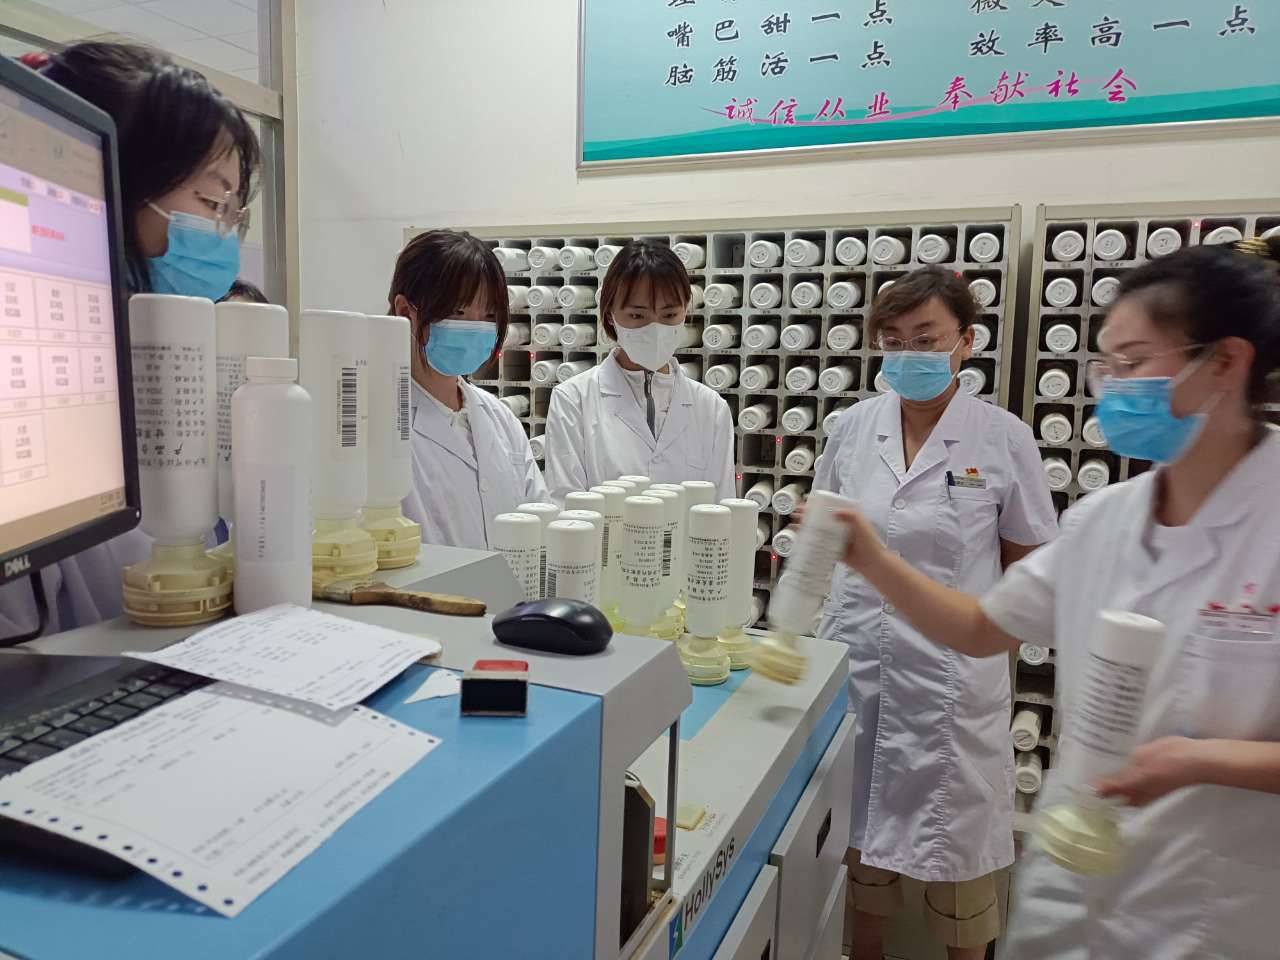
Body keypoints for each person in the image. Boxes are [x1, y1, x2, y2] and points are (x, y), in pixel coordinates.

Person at [831, 239, 1280, 960]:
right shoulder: (1105, 518)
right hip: (1075, 887)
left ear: (1225, 362)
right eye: (1106, 365)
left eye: (1132, 363)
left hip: (1218, 909)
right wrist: (872, 559)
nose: (1111, 387)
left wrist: (1201, 761)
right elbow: (984, 624)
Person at [814, 267, 1058, 960]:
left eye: (925, 339)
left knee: (962, 875)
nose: (908, 355)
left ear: (966, 342)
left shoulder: (1003, 437)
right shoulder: (852, 429)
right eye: (893, 341)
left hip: (952, 689)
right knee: (861, 859)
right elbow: (828, 536)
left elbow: (1028, 571)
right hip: (860, 671)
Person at [0, 43, 260, 638]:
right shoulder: (38, 391)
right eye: (210, 201)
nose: (223, 232)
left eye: (233, 211)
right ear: (111, 184)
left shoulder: (169, 372)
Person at [391, 229, 548, 548]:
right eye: (458, 312)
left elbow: (538, 520)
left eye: (489, 315)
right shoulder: (377, 425)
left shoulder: (500, 419)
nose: (476, 328)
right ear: (406, 311)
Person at [543, 240, 735, 502]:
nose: (654, 329)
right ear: (610, 313)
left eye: (669, 315)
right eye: (637, 316)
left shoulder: (711, 409)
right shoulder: (573, 400)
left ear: (686, 309)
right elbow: (566, 505)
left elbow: (721, 509)